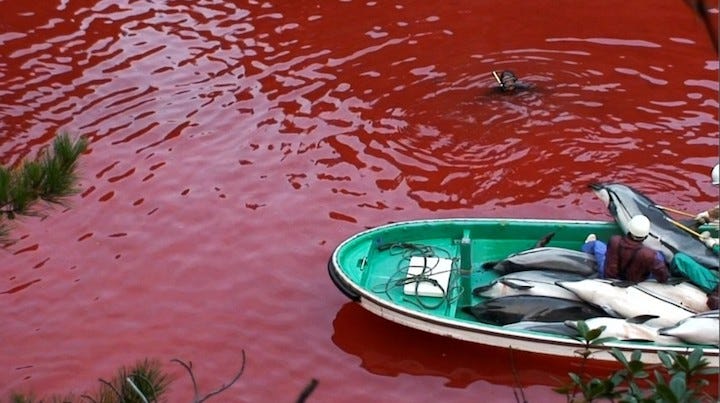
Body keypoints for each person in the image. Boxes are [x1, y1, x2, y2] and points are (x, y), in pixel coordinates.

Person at [585, 215, 670, 283]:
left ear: (629, 229)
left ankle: (585, 248)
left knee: (597, 244)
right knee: (660, 256)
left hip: (610, 278)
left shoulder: (615, 240)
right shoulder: (650, 255)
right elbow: (663, 277)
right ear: (646, 235)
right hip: (634, 283)